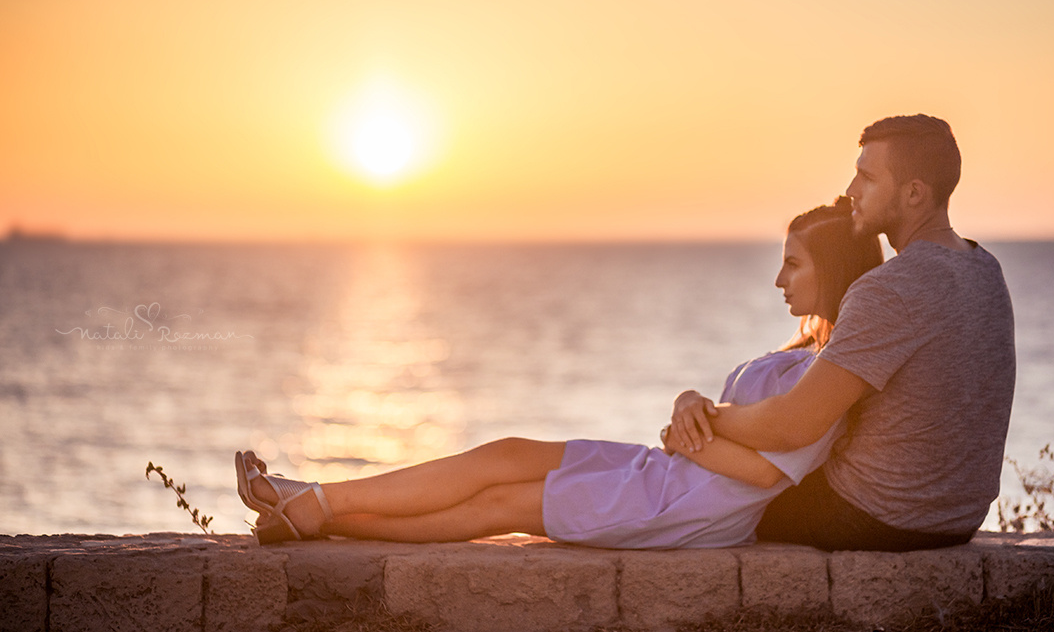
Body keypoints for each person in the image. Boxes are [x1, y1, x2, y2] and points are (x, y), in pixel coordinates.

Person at [235, 197, 883, 548]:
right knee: (506, 453)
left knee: (497, 506)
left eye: (793, 264)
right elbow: (724, 420)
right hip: (664, 472)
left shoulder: (834, 375)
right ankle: (315, 493)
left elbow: (768, 473)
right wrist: (692, 406)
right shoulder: (800, 352)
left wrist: (691, 434)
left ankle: (318, 510)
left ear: (830, 270)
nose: (779, 279)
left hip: (685, 505)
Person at [666, 114, 1017, 552]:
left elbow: (792, 426)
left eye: (867, 178)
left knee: (705, 492)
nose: (852, 190)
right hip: (956, 519)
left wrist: (699, 417)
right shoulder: (984, 268)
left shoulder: (891, 287)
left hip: (869, 514)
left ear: (914, 193)